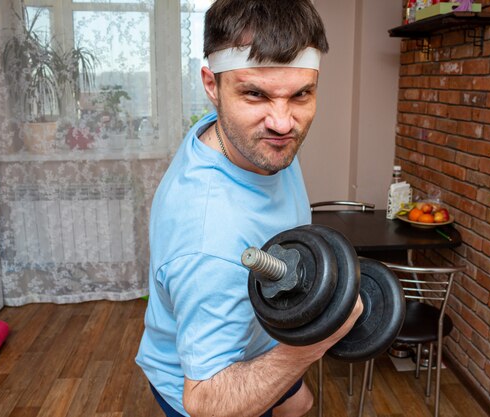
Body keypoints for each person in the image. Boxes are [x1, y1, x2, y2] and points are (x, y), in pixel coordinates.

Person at [136, 1, 363, 416]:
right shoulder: (209, 239)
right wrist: (319, 339)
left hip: (262, 336)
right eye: (255, 93)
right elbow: (205, 400)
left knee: (299, 406)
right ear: (211, 85)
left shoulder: (245, 139)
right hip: (211, 385)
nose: (282, 122)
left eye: (301, 94)